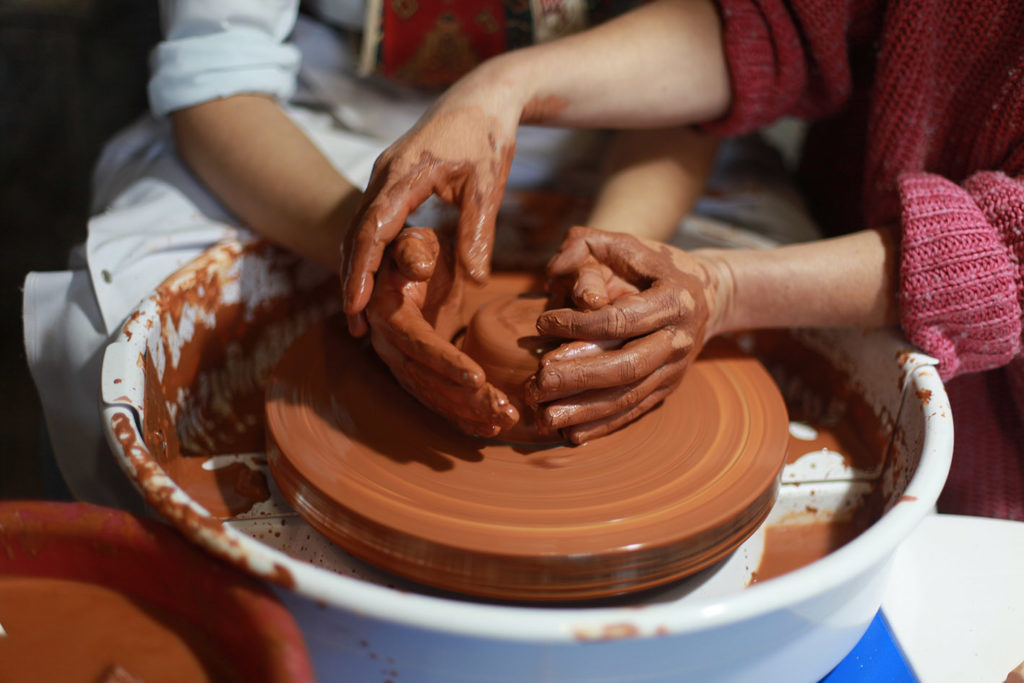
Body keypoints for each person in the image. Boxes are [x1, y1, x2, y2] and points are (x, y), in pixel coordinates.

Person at [22, 1, 736, 510]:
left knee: (771, 323)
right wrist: (364, 241)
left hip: (616, 130)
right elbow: (216, 79)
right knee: (115, 329)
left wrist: (612, 255)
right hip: (313, 126)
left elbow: (724, 63)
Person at [341, 0, 1024, 518]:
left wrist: (725, 286)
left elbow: (1010, 248)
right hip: (862, 240)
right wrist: (500, 88)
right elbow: (771, 23)